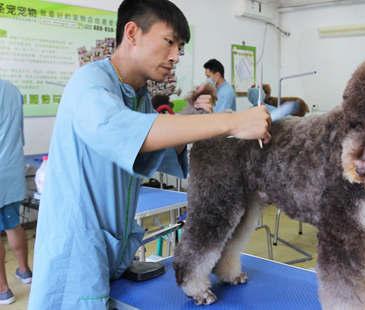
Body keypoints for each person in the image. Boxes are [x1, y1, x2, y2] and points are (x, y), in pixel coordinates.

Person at [27, 1, 271, 309]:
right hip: (77, 254)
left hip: (113, 251)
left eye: (180, 47)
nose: (175, 57)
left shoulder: (137, 95)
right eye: (170, 42)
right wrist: (232, 120)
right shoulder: (89, 83)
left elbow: (156, 148)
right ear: (132, 32)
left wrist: (196, 121)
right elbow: (123, 129)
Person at [0, 79, 32, 305]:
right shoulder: (11, 89)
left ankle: (3, 290)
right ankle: (25, 271)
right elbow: (19, 133)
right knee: (12, 223)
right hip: (10, 168)